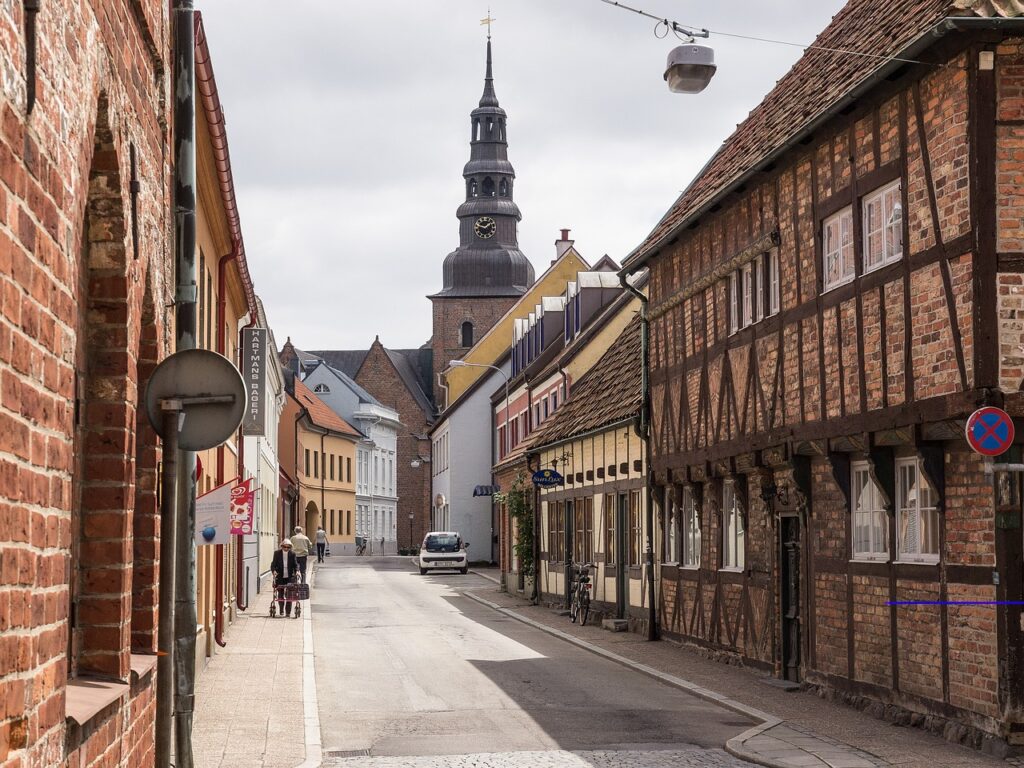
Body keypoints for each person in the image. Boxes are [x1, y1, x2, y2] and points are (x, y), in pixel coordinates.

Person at [270, 539, 297, 617]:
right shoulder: (277, 553)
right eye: (284, 547)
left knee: (289, 594)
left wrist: (297, 571)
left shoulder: (292, 554)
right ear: (281, 546)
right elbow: (273, 565)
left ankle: (288, 612)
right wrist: (274, 571)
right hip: (280, 576)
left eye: (288, 547)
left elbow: (295, 565)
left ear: (290, 547)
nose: (286, 548)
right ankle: (281, 610)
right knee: (280, 594)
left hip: (289, 577)